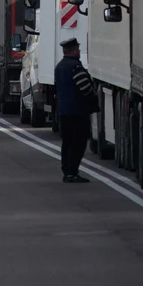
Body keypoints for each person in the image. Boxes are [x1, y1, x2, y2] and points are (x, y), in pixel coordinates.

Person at [54, 37, 97, 183]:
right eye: (77, 49)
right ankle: (72, 172)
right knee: (78, 144)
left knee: (67, 143)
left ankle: (67, 171)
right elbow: (85, 89)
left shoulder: (59, 67)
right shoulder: (75, 67)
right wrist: (93, 97)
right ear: (72, 51)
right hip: (78, 112)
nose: (79, 51)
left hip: (64, 112)